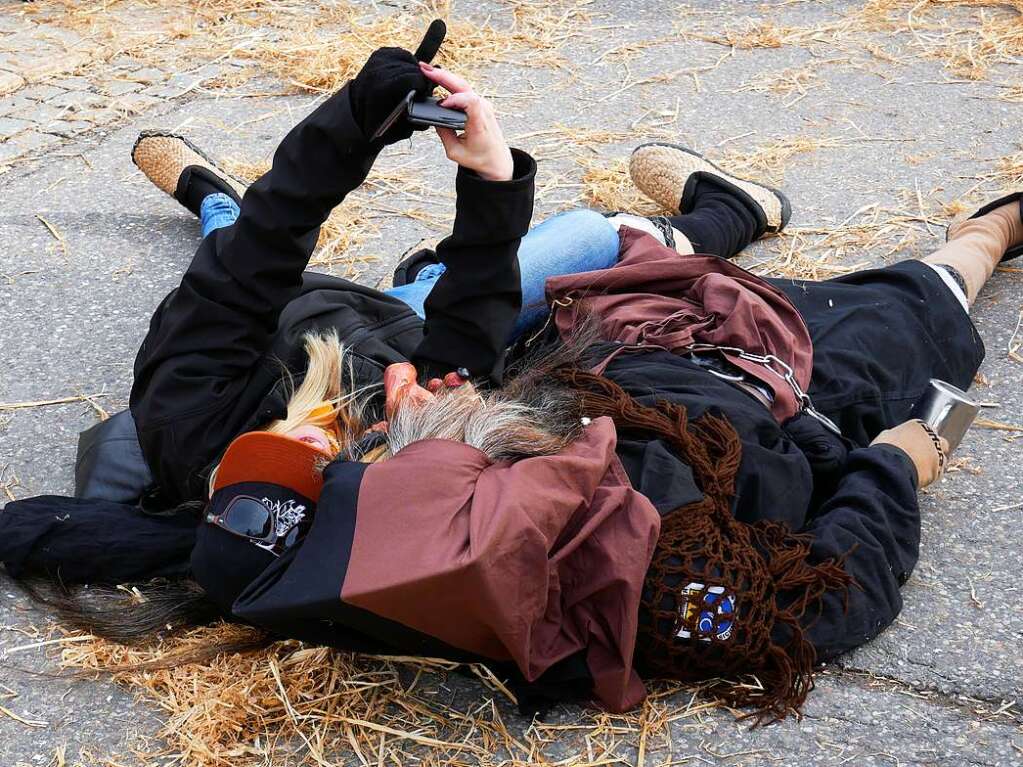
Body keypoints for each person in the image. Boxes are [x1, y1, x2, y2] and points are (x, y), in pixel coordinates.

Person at [2, 27, 1019, 722]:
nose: (417, 388)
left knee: (308, 255)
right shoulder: (640, 584)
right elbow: (798, 613)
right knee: (905, 308)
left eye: (382, 427)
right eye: (423, 420)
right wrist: (896, 463)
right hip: (777, 377)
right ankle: (976, 232)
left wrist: (384, 140)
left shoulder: (311, 459)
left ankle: (212, 195)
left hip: (559, 337)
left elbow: (277, 284)